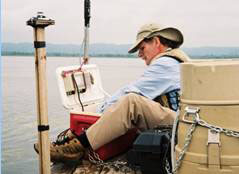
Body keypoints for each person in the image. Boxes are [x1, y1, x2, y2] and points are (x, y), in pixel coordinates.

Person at [34, 23, 190, 163]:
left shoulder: (166, 64)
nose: (139, 54)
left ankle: (76, 147)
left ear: (156, 42)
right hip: (182, 122)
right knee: (129, 102)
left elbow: (133, 92)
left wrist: (101, 111)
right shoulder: (174, 60)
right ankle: (71, 140)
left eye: (142, 48)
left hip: (181, 126)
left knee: (131, 102)